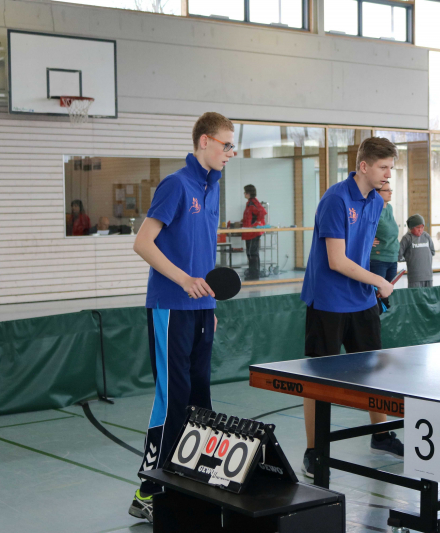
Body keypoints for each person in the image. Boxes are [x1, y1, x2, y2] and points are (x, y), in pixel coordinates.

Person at [129, 112, 236, 523]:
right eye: (226, 144)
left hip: (201, 309)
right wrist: (184, 280)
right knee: (172, 400)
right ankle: (148, 490)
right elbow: (143, 243)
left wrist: (209, 305)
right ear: (205, 141)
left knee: (200, 399)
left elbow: (202, 250)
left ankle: (193, 484)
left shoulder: (213, 186)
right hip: (171, 307)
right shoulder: (176, 184)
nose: (231, 152)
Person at [300, 137, 403, 478]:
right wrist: (379, 281)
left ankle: (381, 435)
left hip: (362, 300)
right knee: (318, 381)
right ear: (363, 166)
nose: (388, 174)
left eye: (390, 167)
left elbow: (363, 248)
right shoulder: (336, 200)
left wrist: (372, 284)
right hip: (328, 302)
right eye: (383, 167)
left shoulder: (375, 202)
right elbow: (337, 260)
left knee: (374, 373)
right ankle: (313, 451)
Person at [369, 182, 399, 285]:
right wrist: (367, 239)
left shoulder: (389, 208)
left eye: (391, 190)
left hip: (392, 257)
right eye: (387, 190)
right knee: (378, 291)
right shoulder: (372, 209)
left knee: (389, 292)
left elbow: (393, 232)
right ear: (377, 192)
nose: (390, 193)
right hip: (378, 258)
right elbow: (358, 227)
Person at [399, 214, 435, 288]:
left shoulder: (426, 236)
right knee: (415, 294)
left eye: (422, 227)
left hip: (428, 275)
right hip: (415, 277)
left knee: (429, 294)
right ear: (411, 228)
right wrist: (409, 258)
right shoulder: (407, 238)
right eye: (417, 227)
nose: (420, 230)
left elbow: (432, 251)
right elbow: (399, 254)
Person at [242, 184, 267, 280]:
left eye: (245, 192)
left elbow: (262, 212)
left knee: (253, 253)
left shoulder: (253, 203)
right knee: (250, 253)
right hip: (249, 232)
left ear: (249, 193)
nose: (244, 194)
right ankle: (252, 273)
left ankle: (254, 275)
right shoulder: (249, 203)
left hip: (253, 232)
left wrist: (256, 224)